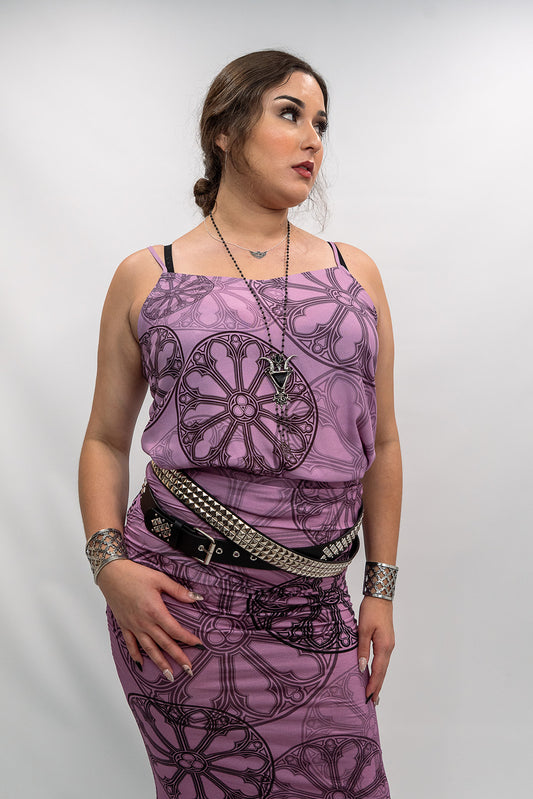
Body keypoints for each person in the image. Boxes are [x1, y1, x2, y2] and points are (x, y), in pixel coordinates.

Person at [79, 49, 401, 799]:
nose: (312, 139)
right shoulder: (149, 275)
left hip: (315, 603)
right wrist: (108, 566)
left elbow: (381, 443)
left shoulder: (353, 275)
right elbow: (104, 439)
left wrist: (380, 589)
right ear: (223, 129)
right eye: (289, 114)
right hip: (179, 607)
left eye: (321, 123)